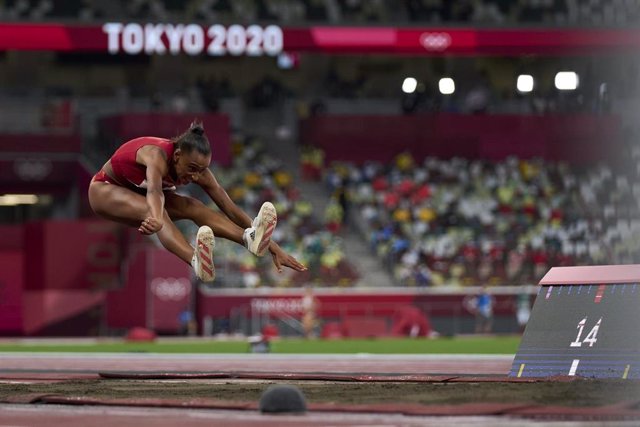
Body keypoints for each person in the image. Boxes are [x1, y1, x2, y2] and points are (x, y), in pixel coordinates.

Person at [88, 121, 307, 282]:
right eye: (192, 169)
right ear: (176, 156)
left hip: (137, 194)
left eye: (201, 171)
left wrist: (272, 246)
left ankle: (247, 239)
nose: (195, 177)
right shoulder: (156, 156)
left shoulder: (199, 171)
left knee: (194, 206)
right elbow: (155, 191)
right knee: (157, 211)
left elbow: (229, 207)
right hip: (105, 190)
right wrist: (155, 218)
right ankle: (194, 260)